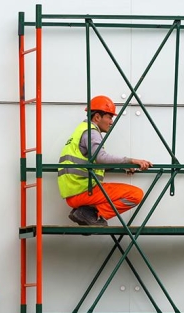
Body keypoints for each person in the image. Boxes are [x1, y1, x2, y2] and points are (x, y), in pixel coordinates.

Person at [58, 95, 152, 226]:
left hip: (74, 192)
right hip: (84, 190)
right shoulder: (91, 132)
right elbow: (101, 158)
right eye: (109, 117)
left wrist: (122, 166)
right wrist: (129, 161)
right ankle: (92, 215)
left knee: (133, 194)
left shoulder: (80, 131)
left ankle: (86, 212)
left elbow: (94, 163)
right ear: (97, 117)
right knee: (135, 195)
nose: (112, 122)